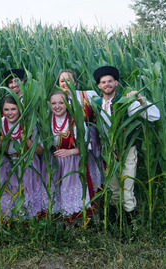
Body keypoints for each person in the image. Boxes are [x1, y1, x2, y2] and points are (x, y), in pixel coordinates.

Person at [92, 66, 160, 222]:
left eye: (110, 81)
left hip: (126, 149)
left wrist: (140, 99)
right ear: (99, 86)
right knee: (114, 190)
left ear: (116, 83)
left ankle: (130, 228)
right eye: (103, 82)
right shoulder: (95, 104)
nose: (107, 84)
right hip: (107, 151)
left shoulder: (126, 101)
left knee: (127, 189)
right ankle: (116, 224)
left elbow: (154, 116)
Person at [0, 95, 44, 219]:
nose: (9, 113)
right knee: (6, 201)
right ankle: (7, 225)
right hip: (4, 167)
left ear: (19, 109)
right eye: (6, 110)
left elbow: (41, 151)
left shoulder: (30, 123)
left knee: (26, 199)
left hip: (26, 166)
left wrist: (27, 141)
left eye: (13, 109)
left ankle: (27, 226)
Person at [57, 69, 101, 216]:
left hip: (91, 142)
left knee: (94, 177)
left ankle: (95, 211)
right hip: (69, 144)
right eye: (62, 81)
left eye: (68, 80)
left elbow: (103, 113)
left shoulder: (87, 95)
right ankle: (73, 211)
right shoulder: (58, 99)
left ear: (75, 82)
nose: (65, 83)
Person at [49, 91, 91, 223]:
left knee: (71, 193)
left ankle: (74, 224)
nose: (57, 106)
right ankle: (57, 223)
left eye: (61, 102)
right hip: (53, 163)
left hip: (71, 163)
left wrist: (70, 152)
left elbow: (86, 146)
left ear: (68, 103)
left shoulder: (75, 121)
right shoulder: (46, 120)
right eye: (54, 103)